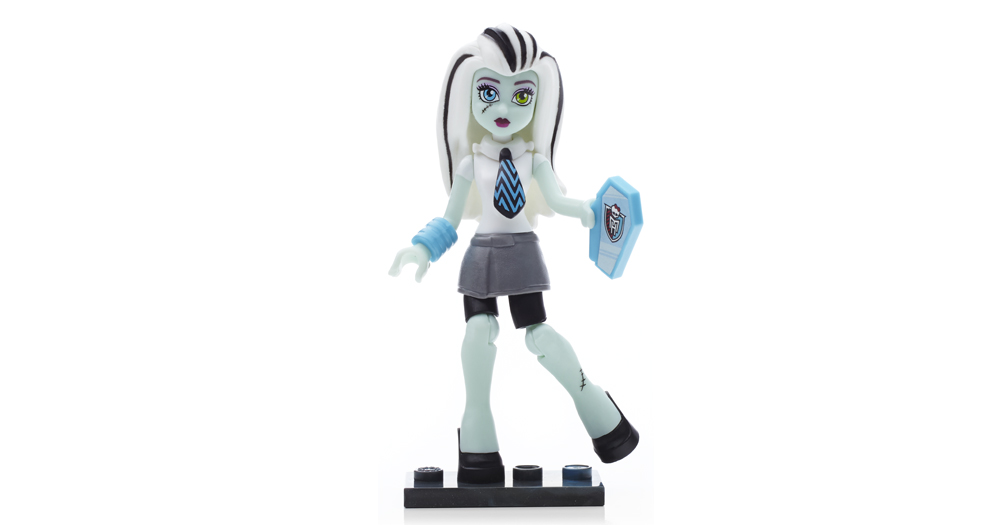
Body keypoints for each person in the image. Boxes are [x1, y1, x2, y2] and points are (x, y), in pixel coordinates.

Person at [389, 24, 638, 484]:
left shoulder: (533, 160)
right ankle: (477, 435)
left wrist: (588, 211)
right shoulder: (470, 163)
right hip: (482, 254)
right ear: (468, 93)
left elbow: (559, 201)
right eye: (489, 92)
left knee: (539, 335)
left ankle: (597, 409)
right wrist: (423, 247)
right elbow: (451, 216)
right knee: (478, 332)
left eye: (521, 96)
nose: (503, 109)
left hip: (521, 251)